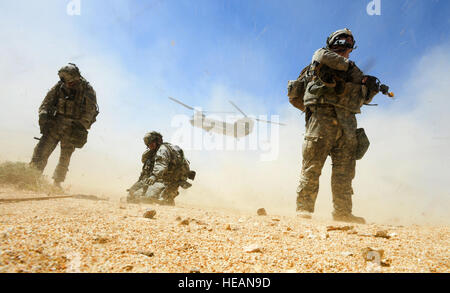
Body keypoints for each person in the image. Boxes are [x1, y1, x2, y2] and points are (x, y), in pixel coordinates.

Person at [295, 28, 380, 224]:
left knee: (345, 173)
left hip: (347, 126)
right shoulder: (323, 57)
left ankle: (343, 213)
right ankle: (304, 210)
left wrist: (371, 88)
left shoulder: (353, 71)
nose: (344, 47)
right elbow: (321, 55)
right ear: (332, 43)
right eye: (341, 42)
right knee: (312, 168)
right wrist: (352, 70)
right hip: (321, 122)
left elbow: (362, 99)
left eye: (348, 44)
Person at [30, 63, 99, 189]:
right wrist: (43, 116)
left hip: (73, 127)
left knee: (65, 157)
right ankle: (32, 178)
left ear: (77, 77)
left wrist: (81, 127)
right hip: (55, 124)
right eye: (66, 82)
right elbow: (45, 104)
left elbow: (90, 111)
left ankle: (57, 183)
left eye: (71, 82)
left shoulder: (87, 90)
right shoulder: (58, 87)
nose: (68, 84)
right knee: (41, 150)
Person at [127, 132, 195, 206]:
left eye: (151, 143)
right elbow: (147, 168)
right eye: (148, 144)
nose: (150, 146)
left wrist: (154, 176)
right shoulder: (152, 152)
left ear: (157, 141)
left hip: (169, 182)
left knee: (148, 199)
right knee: (132, 195)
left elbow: (161, 165)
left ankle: (168, 198)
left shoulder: (163, 150)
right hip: (160, 180)